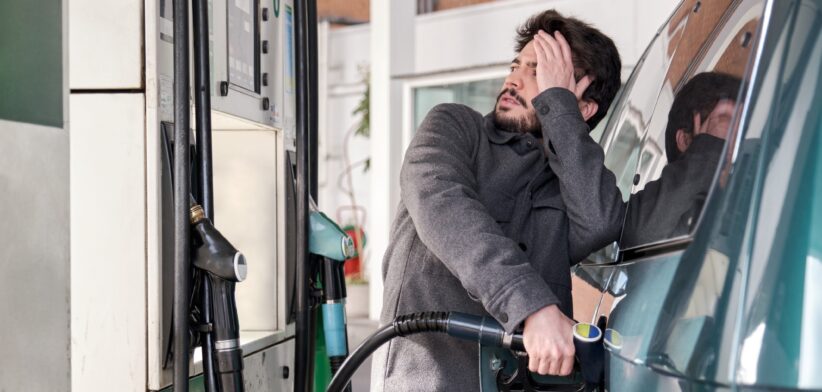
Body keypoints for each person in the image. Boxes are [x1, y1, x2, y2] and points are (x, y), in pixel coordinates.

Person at [370, 10, 624, 391]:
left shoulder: (568, 184)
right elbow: (443, 204)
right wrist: (531, 307)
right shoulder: (454, 125)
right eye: (516, 65)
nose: (514, 79)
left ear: (582, 108)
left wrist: (559, 108)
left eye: (538, 72)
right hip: (430, 379)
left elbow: (601, 221)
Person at [621, 72, 741, 247]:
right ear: (685, 140)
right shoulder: (674, 217)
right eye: (725, 122)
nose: (737, 137)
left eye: (743, 125)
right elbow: (641, 239)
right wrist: (707, 151)